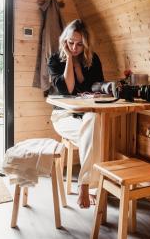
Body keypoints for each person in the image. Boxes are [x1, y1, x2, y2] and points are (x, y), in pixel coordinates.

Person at [48, 19, 104, 208]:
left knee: (93, 122)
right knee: (95, 136)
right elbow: (68, 88)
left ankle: (85, 183)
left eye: (80, 44)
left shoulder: (93, 59)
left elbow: (99, 87)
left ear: (86, 44)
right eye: (71, 42)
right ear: (65, 40)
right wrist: (70, 59)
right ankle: (89, 187)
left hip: (87, 116)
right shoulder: (55, 60)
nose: (74, 47)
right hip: (63, 116)